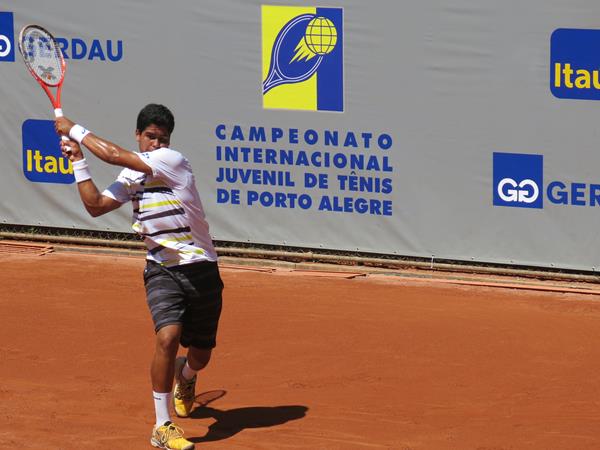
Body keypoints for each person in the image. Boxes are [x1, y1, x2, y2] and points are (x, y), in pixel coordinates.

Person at [55, 104, 224, 450]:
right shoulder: (132, 178)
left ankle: (187, 375)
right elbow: (96, 206)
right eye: (150, 137)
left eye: (162, 139)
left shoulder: (173, 161)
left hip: (201, 267)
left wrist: (74, 130)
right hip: (161, 269)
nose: (157, 144)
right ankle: (162, 425)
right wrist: (77, 161)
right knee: (168, 337)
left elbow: (114, 154)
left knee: (201, 353)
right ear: (139, 135)